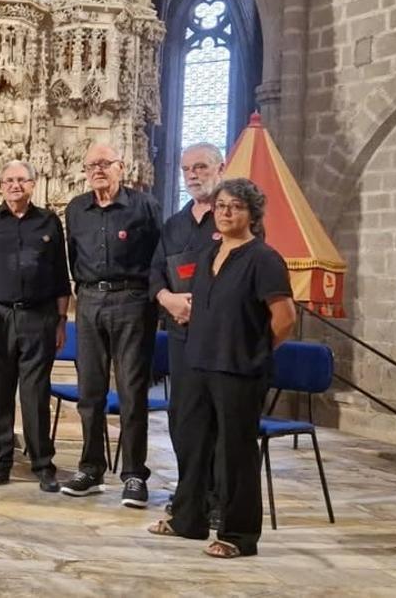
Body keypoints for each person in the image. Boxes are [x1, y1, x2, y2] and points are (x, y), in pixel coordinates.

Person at [148, 178, 295, 558]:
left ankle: (238, 535)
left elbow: (284, 319)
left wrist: (252, 350)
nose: (226, 212)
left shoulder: (264, 258)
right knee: (193, 445)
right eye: (222, 205)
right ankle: (187, 519)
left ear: (252, 214)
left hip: (237, 369)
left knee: (235, 453)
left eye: (236, 207)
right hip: (197, 363)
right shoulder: (209, 255)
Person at [62, 144, 161, 507]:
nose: (98, 170)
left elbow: (157, 257)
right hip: (88, 301)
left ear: (122, 167)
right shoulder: (77, 209)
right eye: (91, 165)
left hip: (132, 301)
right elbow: (73, 256)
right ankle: (90, 468)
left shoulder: (144, 206)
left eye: (105, 164)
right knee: (90, 391)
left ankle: (134, 473)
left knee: (132, 392)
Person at [0, 161, 71, 490]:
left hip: (39, 317)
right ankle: (0, 461)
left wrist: (61, 321)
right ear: (1, 185)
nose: (14, 185)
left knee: (35, 393)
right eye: (8, 180)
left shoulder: (49, 221)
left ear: (33, 184)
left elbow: (60, 277)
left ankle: (42, 463)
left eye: (21, 180)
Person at [150, 143, 224, 511]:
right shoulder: (175, 224)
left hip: (219, 339)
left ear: (219, 168)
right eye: (186, 169)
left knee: (215, 418)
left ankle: (215, 498)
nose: (192, 175)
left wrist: (204, 308)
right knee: (184, 416)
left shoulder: (232, 219)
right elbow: (155, 271)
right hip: (180, 333)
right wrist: (167, 298)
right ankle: (189, 491)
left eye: (200, 167)